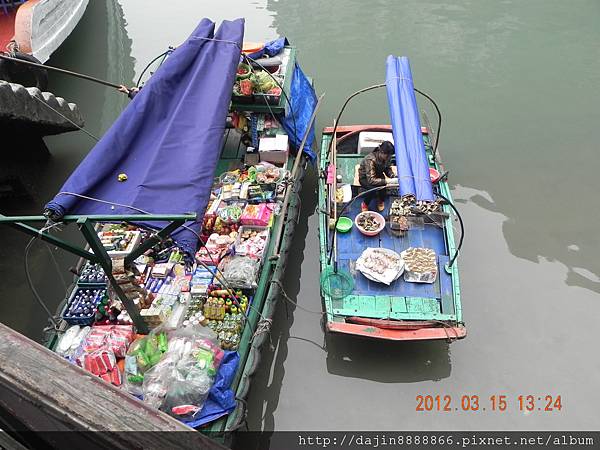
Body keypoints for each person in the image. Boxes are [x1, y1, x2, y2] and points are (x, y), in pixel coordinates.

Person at [357, 141, 398, 212]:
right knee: (373, 189)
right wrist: (388, 181)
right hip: (365, 178)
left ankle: (380, 200)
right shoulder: (370, 160)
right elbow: (371, 180)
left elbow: (387, 168)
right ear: (381, 151)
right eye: (387, 155)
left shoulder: (387, 157)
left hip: (378, 174)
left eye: (390, 156)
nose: (389, 157)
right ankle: (365, 203)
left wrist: (392, 175)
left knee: (383, 187)